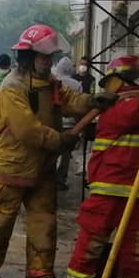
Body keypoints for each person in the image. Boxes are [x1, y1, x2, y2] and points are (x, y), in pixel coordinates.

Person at [0, 25, 115, 278]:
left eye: (50, 58)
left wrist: (91, 100)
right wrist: (59, 140)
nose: (48, 62)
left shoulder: (50, 83)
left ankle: (40, 275)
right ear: (27, 57)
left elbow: (70, 100)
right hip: (13, 167)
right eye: (43, 57)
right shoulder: (11, 87)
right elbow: (26, 129)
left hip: (43, 167)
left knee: (44, 221)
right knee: (2, 222)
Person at [64, 55, 139, 278]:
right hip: (111, 184)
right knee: (94, 236)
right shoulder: (122, 107)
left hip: (137, 186)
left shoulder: (130, 101)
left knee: (138, 238)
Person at [52, 56, 84, 191]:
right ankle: (60, 179)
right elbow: (79, 107)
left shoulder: (54, 81)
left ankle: (49, 179)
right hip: (71, 125)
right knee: (66, 154)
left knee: (52, 153)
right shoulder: (76, 85)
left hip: (54, 123)